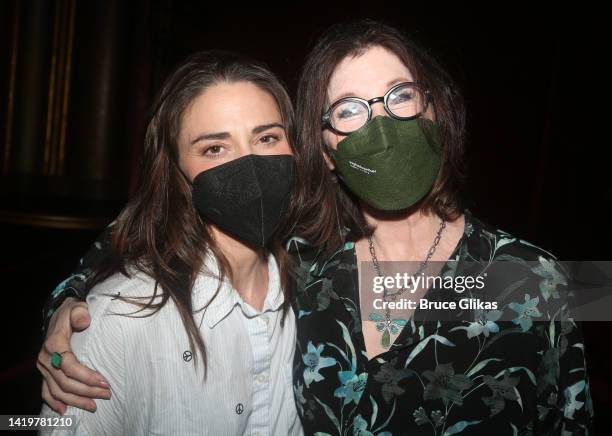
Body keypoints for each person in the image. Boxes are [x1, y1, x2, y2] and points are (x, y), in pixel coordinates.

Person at [39, 21, 594, 435]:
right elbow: (143, 230)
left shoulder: (531, 276)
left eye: (399, 95)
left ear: (436, 110)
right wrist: (66, 310)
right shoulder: (308, 259)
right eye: (348, 109)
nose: (379, 123)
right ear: (324, 147)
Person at [38, 50, 303, 435]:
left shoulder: (315, 281)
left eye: (266, 137)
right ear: (176, 171)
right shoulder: (119, 322)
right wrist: (72, 302)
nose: (250, 165)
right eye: (215, 148)